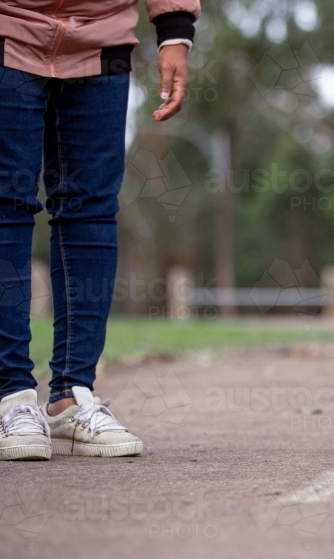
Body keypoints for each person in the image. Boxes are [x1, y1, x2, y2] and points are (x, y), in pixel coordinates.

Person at [0, 0, 200, 460]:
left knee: (90, 208)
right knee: (7, 205)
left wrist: (174, 31)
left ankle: (72, 395)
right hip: (9, 27)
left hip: (101, 34)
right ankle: (11, 395)